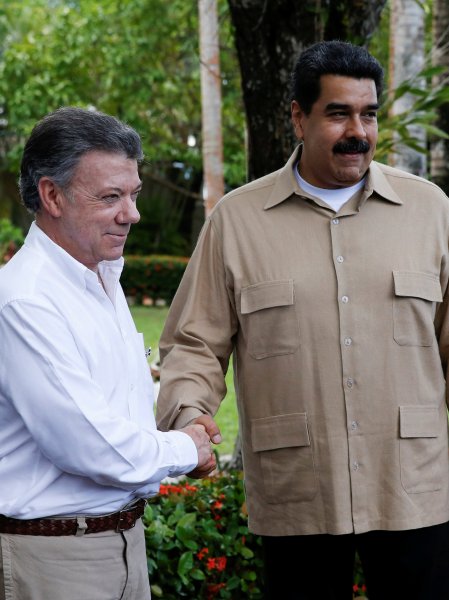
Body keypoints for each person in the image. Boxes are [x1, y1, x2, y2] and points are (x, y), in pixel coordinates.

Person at [156, 41, 449, 600]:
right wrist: (189, 419)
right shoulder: (237, 222)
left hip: (413, 485)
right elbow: (194, 342)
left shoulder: (431, 211)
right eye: (338, 113)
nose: (357, 130)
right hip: (299, 492)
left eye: (369, 114)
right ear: (298, 116)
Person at [0, 107, 220, 600]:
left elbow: (112, 411)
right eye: (110, 197)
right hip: (54, 562)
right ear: (51, 196)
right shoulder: (26, 300)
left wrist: (176, 427)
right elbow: (86, 443)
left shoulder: (100, 275)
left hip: (119, 544)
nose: (132, 213)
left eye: (134, 194)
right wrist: (186, 449)